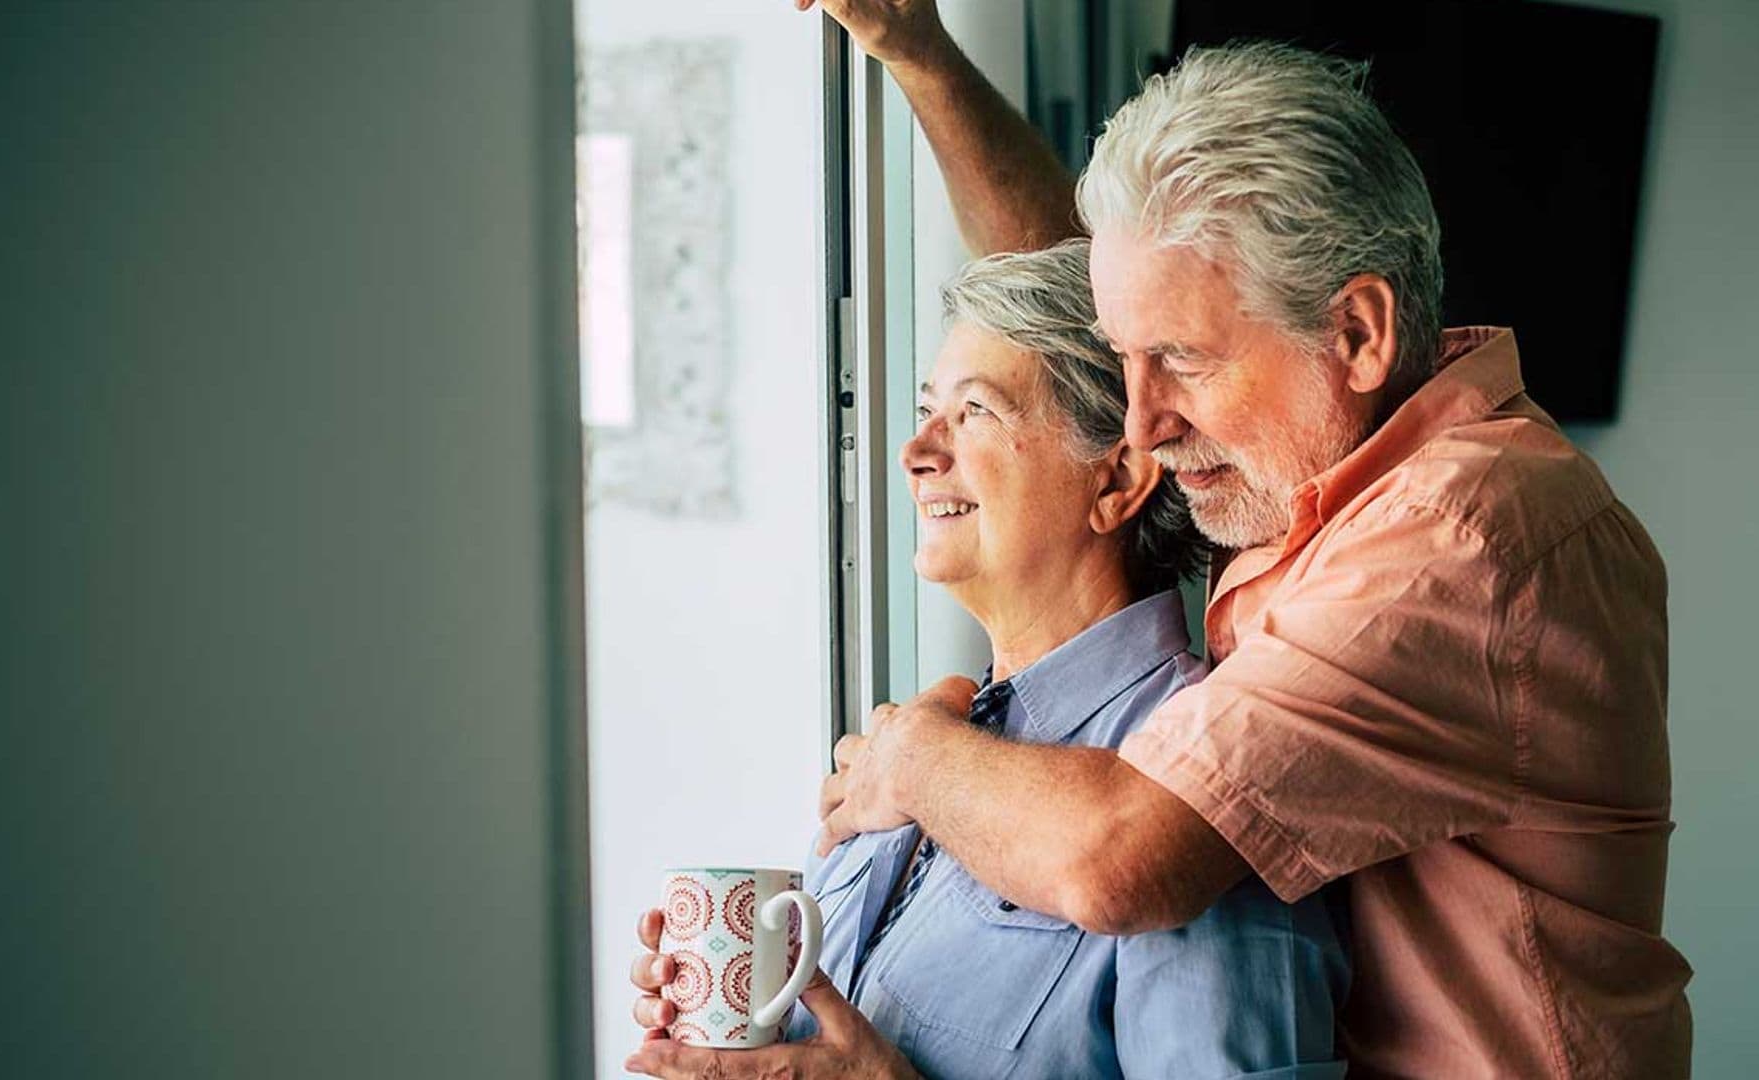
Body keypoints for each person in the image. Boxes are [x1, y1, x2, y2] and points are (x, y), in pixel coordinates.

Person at [783, 3, 1689, 1077]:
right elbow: (1067, 305)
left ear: (1356, 334)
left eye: (1183, 362)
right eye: (1129, 362)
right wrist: (920, 55)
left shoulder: (1456, 537)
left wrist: (910, 753)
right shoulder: (1309, 452)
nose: (1142, 424)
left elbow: (1121, 860)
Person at [628, 242, 1349, 1079]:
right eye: (930, 406)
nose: (918, 449)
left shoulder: (1197, 793)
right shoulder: (898, 755)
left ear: (1118, 478)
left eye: (976, 411)